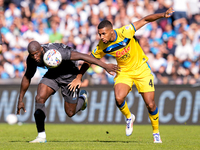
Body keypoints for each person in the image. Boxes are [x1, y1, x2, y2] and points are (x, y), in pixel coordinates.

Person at [68, 8, 174, 143]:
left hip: (142, 69)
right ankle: (129, 117)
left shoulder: (126, 32)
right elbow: (89, 60)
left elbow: (145, 20)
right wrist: (79, 77)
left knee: (150, 104)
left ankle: (156, 133)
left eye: (103, 34)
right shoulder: (102, 45)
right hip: (124, 71)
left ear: (112, 31)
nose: (101, 37)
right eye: (99, 34)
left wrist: (163, 15)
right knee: (119, 98)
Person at [16, 41, 119, 143]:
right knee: (39, 98)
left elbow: (83, 56)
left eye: (36, 54)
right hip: (53, 74)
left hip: (70, 75)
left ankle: (82, 98)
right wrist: (20, 99)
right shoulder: (32, 60)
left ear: (41, 50)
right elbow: (27, 77)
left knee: (70, 112)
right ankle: (41, 136)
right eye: (32, 55)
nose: (35, 57)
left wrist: (105, 66)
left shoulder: (59, 52)